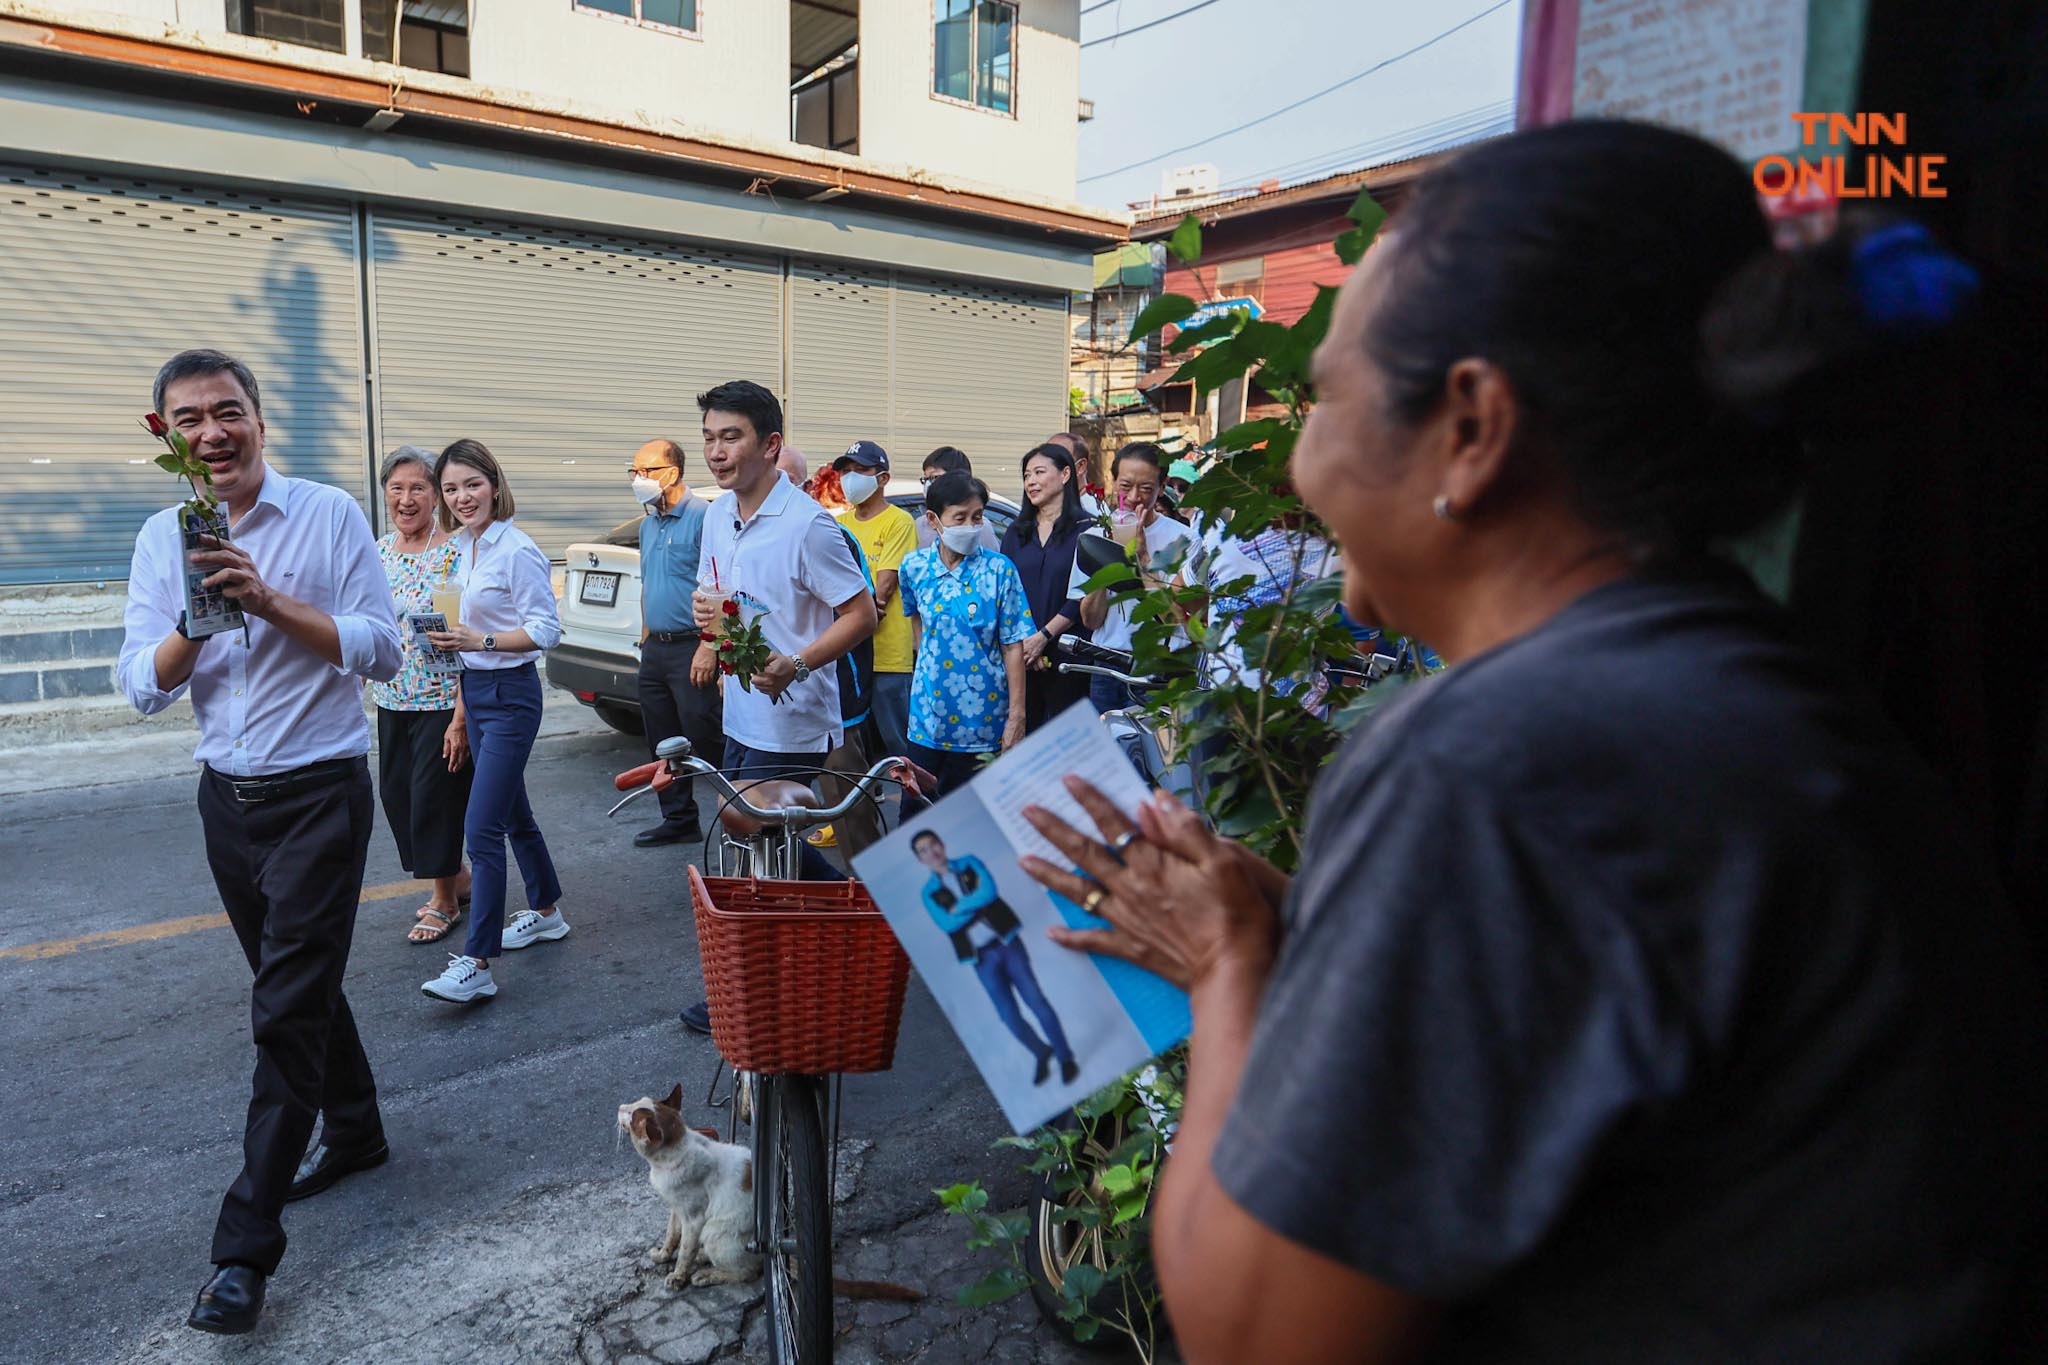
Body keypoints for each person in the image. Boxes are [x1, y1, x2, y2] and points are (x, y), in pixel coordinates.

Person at [1016, 121, 2048, 1364]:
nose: (1295, 464)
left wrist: (1227, 963)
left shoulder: (1497, 760)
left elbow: (1256, 1334)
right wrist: (1313, 931)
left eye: (1330, 397)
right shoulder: (1729, 691)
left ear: (1470, 426)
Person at [117, 349, 403, 1335]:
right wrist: (201, 618)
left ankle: (243, 1253)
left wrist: (272, 599)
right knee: (301, 985)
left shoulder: (325, 515)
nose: (211, 433)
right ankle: (356, 1129)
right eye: (188, 419)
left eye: (227, 412)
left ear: (259, 419)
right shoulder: (165, 535)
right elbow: (139, 685)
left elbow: (384, 645)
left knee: (284, 1010)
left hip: (321, 791)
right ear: (167, 435)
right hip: (225, 801)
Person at [679, 382, 877, 1032]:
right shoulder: (716, 515)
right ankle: (830, 942)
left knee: (759, 844)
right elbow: (717, 595)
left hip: (791, 718)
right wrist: (710, 631)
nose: (715, 450)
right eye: (708, 437)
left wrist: (796, 662)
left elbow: (862, 614)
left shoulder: (809, 525)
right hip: (739, 709)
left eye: (729, 436)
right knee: (759, 851)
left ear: (769, 444)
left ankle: (782, 979)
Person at [420, 439, 568, 1005]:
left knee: (480, 826)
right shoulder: (462, 548)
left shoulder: (517, 549)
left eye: (472, 484)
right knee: (511, 814)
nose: (462, 497)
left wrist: (477, 639)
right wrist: (443, 645)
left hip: (511, 694)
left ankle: (477, 961)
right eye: (451, 488)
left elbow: (546, 630)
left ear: (495, 484)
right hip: (476, 691)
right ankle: (547, 911)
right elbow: (459, 627)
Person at [371, 446, 474, 944]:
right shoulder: (379, 550)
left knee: (434, 802)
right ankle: (459, 876)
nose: (406, 499)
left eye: (418, 488)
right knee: (398, 798)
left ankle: (445, 900)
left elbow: (470, 635)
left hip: (441, 700)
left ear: (437, 496)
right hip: (391, 697)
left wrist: (461, 715)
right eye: (397, 488)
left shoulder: (457, 551)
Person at [897, 472, 1033, 796]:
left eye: (978, 517)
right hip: (928, 720)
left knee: (976, 818)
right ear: (933, 520)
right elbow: (916, 620)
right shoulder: (913, 567)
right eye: (960, 517)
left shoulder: (1000, 571)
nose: (971, 526)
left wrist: (1017, 716)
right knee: (917, 817)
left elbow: (1013, 645)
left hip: (985, 721)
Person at [914, 829, 1076, 1086]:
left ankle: (1066, 1058)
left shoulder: (969, 862)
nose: (931, 852)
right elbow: (947, 924)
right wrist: (974, 904)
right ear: (920, 860)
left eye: (933, 844)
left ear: (942, 845)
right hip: (980, 959)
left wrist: (961, 907)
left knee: (1036, 1000)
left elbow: (989, 892)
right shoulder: (928, 892)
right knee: (1008, 1016)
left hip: (1007, 942)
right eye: (923, 850)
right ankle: (1041, 1051)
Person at [629, 437, 722, 847]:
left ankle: (747, 805)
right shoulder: (649, 523)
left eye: (646, 471)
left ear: (673, 473)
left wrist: (710, 645)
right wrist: (646, 637)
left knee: (705, 733)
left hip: (692, 645)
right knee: (662, 739)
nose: (637, 479)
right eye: (633, 472)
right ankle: (679, 818)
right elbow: (650, 582)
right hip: (657, 649)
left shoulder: (706, 517)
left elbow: (720, 586)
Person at [1069, 441, 1198, 712]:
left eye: (1147, 488)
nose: (1135, 496)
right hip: (1106, 664)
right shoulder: (1093, 538)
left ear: (1162, 489)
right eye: (1125, 486)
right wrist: (1108, 558)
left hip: (1158, 667)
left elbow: (1177, 621)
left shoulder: (1185, 540)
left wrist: (1143, 559)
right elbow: (1091, 620)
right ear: (1113, 482)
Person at [835, 440, 920, 763]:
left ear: (882, 478)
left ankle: (917, 806)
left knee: (898, 745)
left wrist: (855, 609)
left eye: (861, 471)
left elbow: (883, 588)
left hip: (888, 655)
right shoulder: (839, 524)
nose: (851, 478)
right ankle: (863, 809)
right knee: (857, 748)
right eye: (847, 471)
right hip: (850, 656)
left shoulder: (899, 522)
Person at [999, 443, 1090, 731]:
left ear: (1065, 474)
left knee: (1069, 741)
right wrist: (1027, 641)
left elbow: (1083, 595)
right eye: (1027, 476)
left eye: (1039, 472)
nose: (1031, 482)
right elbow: (1005, 591)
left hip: (1069, 653)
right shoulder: (1016, 532)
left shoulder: (1086, 530)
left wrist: (1043, 637)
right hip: (1022, 655)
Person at [916, 446, 1000, 551]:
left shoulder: (980, 528)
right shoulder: (919, 525)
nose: (929, 484)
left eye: (935, 477)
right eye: (926, 479)